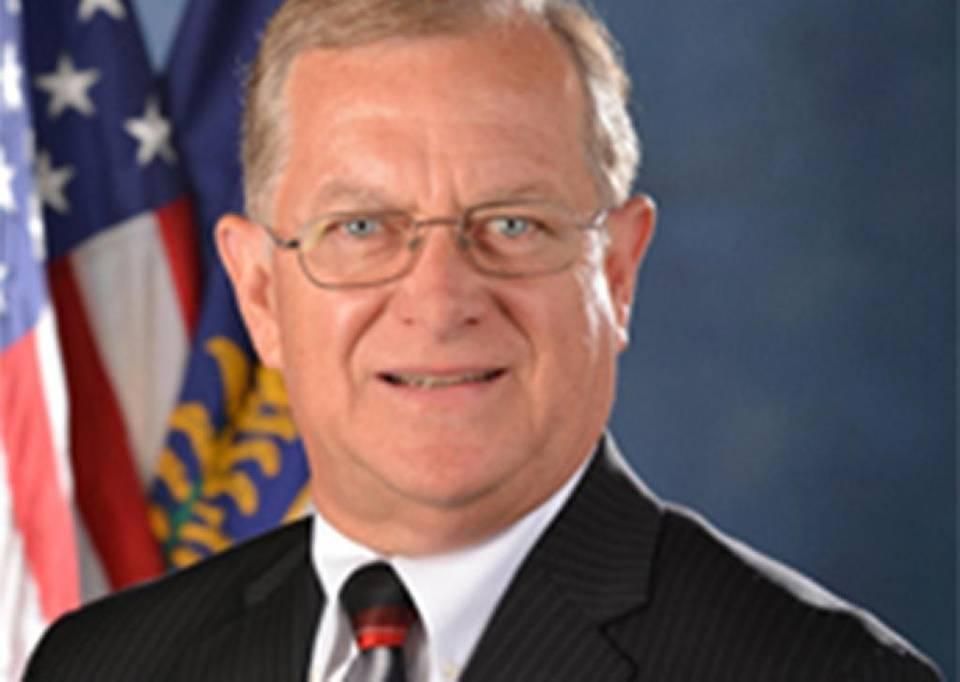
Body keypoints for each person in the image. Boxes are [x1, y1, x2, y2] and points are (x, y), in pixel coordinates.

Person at [25, 0, 941, 680]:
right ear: (260, 291)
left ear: (618, 273)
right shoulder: (101, 666)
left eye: (511, 224)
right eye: (361, 228)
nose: (439, 300)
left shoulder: (823, 674)